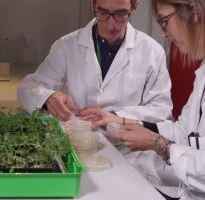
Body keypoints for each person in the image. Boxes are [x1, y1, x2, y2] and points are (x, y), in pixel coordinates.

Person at [85, 0, 205, 199]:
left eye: (165, 22)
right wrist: (122, 121)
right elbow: (183, 131)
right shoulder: (201, 72)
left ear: (193, 12)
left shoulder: (152, 50)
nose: (164, 33)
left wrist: (157, 144)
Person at [17, 0, 173, 124]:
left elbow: (161, 110)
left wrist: (117, 117)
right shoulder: (66, 46)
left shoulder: (152, 52)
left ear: (134, 7)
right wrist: (47, 97)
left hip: (129, 151)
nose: (111, 25)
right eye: (103, 12)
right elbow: (27, 88)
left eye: (120, 14)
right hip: (78, 143)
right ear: (93, 4)